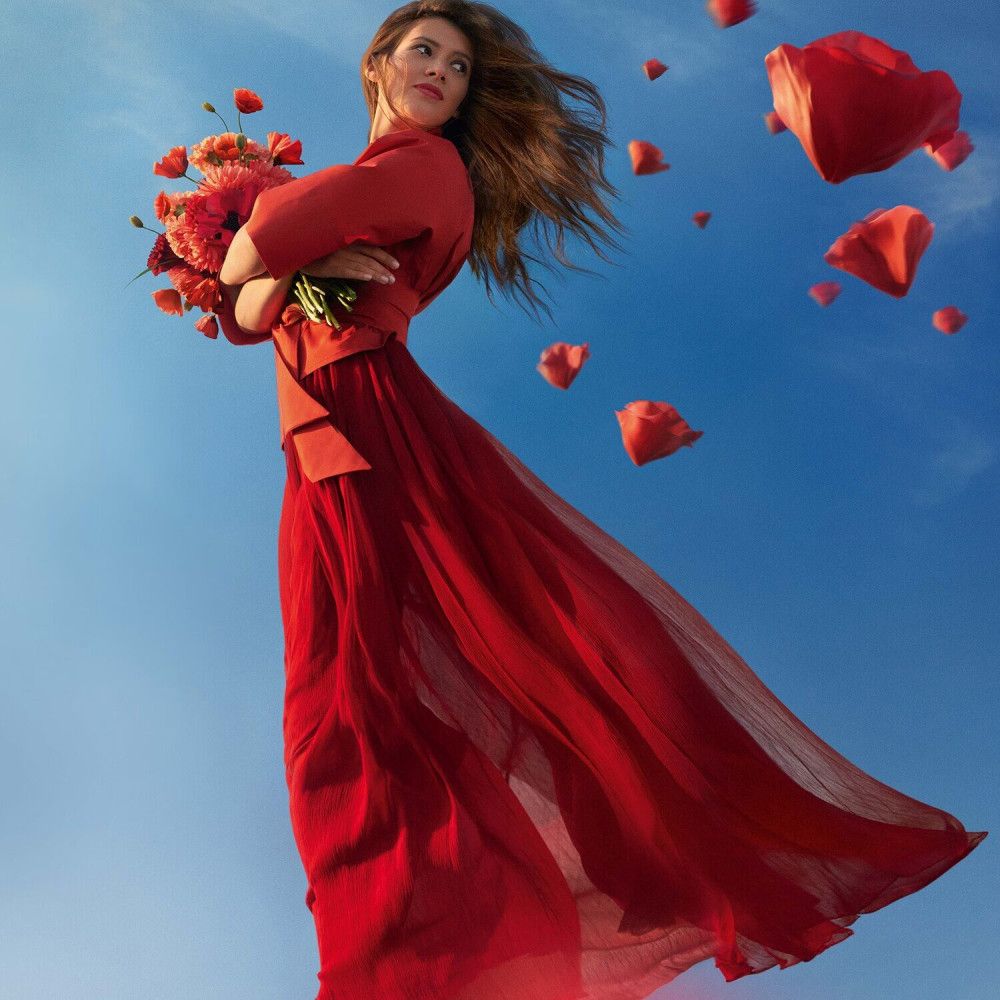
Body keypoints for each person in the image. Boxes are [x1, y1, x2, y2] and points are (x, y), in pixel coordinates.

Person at [217, 3, 987, 999]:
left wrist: (277, 256)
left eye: (459, 65)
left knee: (365, 697)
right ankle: (416, 952)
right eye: (424, 51)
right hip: (329, 444)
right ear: (376, 64)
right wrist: (299, 269)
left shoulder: (424, 169)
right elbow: (248, 309)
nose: (442, 72)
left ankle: (411, 956)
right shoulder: (363, 183)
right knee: (355, 701)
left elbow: (251, 258)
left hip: (369, 429)